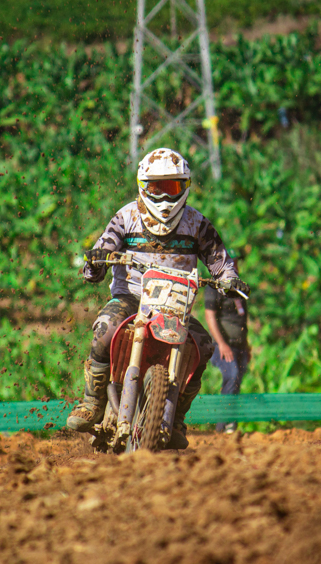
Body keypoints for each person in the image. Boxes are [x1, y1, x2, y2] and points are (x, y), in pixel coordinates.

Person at [66, 148, 248, 449]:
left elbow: (220, 259)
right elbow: (103, 245)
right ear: (142, 185)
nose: (164, 198)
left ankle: (175, 419)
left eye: (172, 188)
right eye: (156, 188)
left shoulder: (197, 224)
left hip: (176, 304)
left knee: (203, 345)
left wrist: (229, 279)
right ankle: (92, 403)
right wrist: (96, 262)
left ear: (185, 187)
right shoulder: (126, 216)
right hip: (131, 298)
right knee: (103, 328)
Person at [203, 254, 251, 433]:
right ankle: (223, 426)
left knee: (236, 382)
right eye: (231, 262)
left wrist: (247, 345)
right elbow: (210, 316)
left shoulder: (239, 288)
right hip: (223, 346)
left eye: (236, 262)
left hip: (239, 346)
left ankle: (229, 425)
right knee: (231, 375)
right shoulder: (214, 287)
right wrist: (221, 344)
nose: (235, 265)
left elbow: (242, 319)